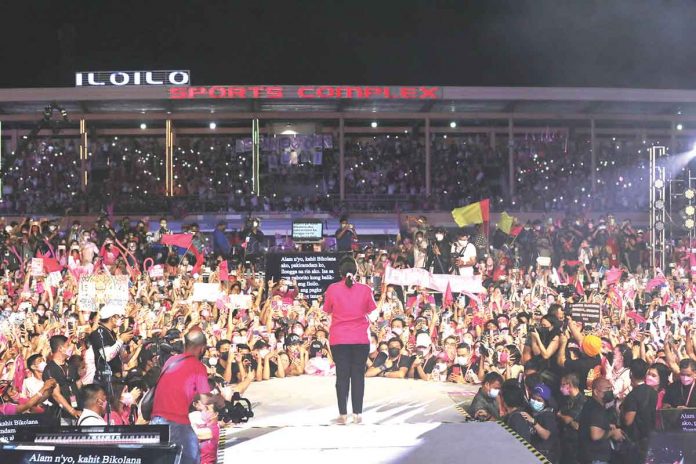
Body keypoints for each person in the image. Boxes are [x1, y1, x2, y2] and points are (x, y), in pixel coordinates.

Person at [150, 328, 226, 464]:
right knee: (192, 456)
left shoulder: (171, 361)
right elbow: (205, 399)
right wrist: (218, 398)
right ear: (202, 348)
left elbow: (182, 389)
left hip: (156, 419)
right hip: (176, 421)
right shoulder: (198, 366)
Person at [323, 257, 376, 425]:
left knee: (342, 377)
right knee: (358, 376)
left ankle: (343, 415)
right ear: (356, 272)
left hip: (339, 339)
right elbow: (372, 312)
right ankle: (358, 415)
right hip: (361, 339)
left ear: (340, 272)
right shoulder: (365, 289)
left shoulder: (332, 289)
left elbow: (327, 310)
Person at [577, 378, 625, 464]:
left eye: (611, 388)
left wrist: (607, 426)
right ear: (596, 392)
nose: (610, 391)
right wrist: (613, 432)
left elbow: (592, 425)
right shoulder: (596, 409)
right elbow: (595, 435)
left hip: (588, 455)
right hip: (595, 457)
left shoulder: (591, 404)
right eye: (607, 389)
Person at [620, 359, 656, 459]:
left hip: (636, 441)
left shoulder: (632, 395)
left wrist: (621, 409)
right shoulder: (653, 391)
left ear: (631, 373)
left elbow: (628, 420)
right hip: (650, 437)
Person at [89, 303, 134, 381]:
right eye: (119, 317)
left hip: (116, 378)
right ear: (112, 318)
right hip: (106, 380)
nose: (121, 319)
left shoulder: (112, 333)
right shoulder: (98, 333)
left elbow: (123, 358)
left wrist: (135, 349)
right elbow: (107, 356)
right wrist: (121, 340)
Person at [43, 335, 82, 425]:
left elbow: (79, 385)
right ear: (61, 348)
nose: (71, 348)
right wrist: (72, 411)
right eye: (68, 345)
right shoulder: (50, 369)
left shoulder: (71, 366)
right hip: (63, 415)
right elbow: (56, 395)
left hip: (78, 410)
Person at [521, 383, 560, 463]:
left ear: (545, 402)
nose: (535, 401)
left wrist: (533, 422)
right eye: (534, 398)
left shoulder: (548, 415)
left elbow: (546, 435)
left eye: (539, 400)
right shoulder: (532, 412)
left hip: (545, 455)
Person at [557, 372, 586, 464]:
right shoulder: (568, 400)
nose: (560, 388)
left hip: (576, 442)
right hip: (566, 439)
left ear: (568, 385)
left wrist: (560, 415)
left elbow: (567, 419)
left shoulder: (581, 400)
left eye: (562, 385)